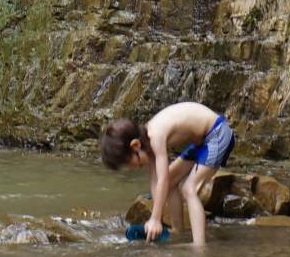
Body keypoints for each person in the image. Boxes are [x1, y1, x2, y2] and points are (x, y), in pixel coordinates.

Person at [101, 101, 236, 246]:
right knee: (172, 181)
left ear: (135, 145)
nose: (134, 168)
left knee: (189, 189)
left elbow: (162, 178)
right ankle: (178, 231)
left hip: (217, 133)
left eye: (133, 163)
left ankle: (199, 246)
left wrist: (156, 219)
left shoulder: (155, 136)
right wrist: (153, 217)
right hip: (200, 143)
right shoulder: (146, 142)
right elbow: (156, 182)